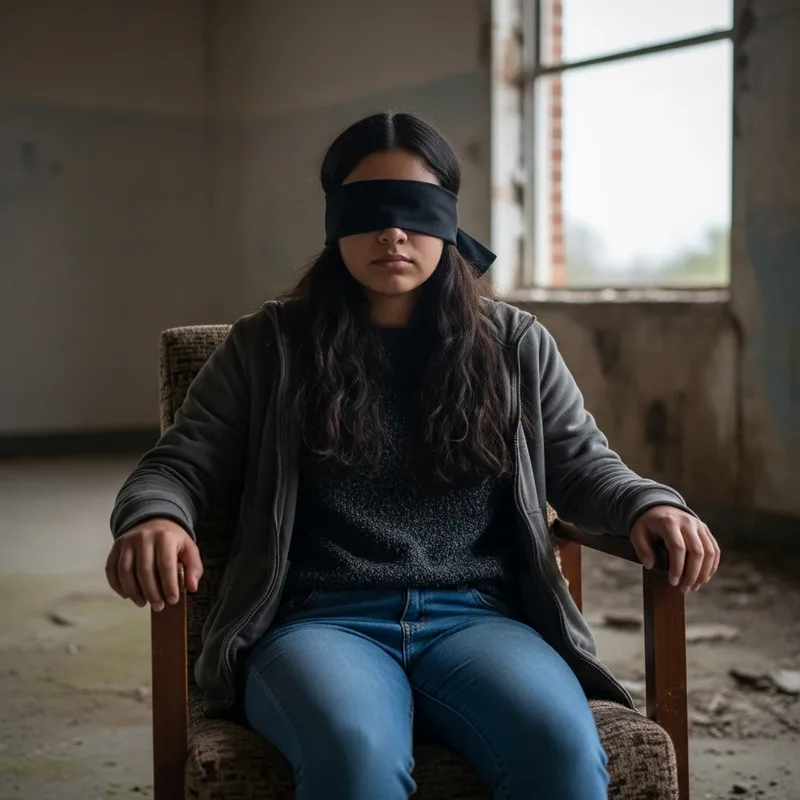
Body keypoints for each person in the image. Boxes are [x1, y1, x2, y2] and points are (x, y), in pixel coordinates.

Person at [105, 111, 720, 799]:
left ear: (448, 219)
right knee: (353, 757)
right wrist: (154, 516)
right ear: (335, 220)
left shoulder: (514, 343)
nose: (393, 232)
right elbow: (178, 464)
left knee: (560, 752)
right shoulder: (268, 345)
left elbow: (582, 464)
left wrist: (648, 500)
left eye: (416, 210)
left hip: (478, 619)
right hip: (320, 622)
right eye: (369, 210)